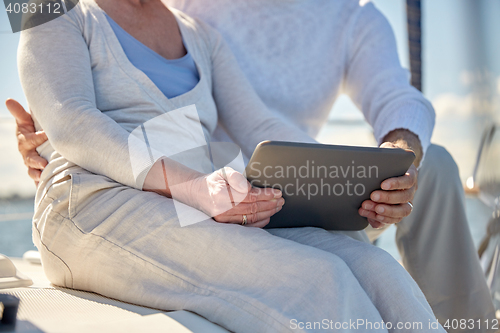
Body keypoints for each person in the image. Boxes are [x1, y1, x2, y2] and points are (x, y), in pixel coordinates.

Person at [13, 0, 494, 328]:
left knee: (379, 271)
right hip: (94, 202)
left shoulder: (198, 32)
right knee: (316, 284)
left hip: (207, 196)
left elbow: (260, 124)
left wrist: (351, 182)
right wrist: (196, 186)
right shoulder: (46, 5)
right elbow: (71, 122)